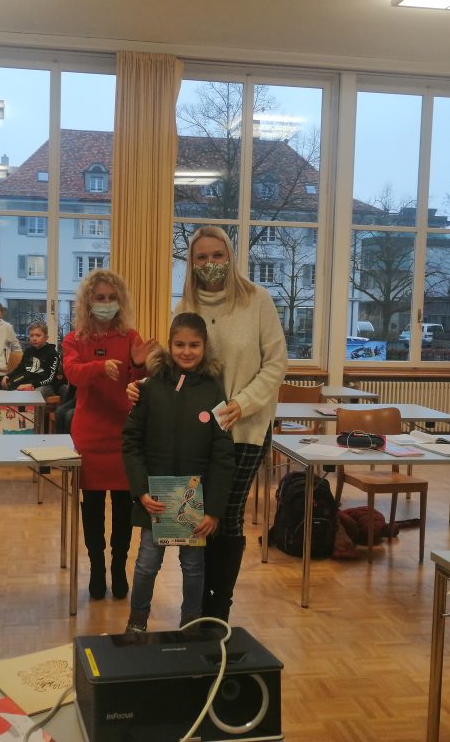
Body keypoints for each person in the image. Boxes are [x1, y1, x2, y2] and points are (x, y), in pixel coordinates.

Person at [132, 225, 287, 622]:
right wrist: (144, 385)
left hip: (246, 428)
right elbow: (175, 363)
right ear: (192, 263)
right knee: (200, 517)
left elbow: (276, 363)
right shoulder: (186, 304)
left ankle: (218, 611)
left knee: (227, 516)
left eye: (218, 255)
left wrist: (242, 403)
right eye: (201, 257)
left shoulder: (257, 300)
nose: (210, 263)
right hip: (197, 434)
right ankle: (198, 609)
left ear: (230, 256)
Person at [121, 313, 234, 633]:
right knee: (146, 564)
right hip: (154, 501)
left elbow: (223, 455)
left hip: (195, 504)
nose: (186, 351)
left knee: (193, 567)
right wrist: (141, 491)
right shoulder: (149, 387)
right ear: (169, 345)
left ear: (205, 346)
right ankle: (137, 622)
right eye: (180, 344)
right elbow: (131, 443)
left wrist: (213, 510)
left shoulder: (215, 392)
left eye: (194, 345)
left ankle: (191, 623)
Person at [62, 270, 158, 600]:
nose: (106, 303)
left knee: (122, 510)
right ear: (88, 301)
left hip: (124, 436)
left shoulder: (130, 337)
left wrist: (140, 365)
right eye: (100, 297)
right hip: (89, 437)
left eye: (111, 298)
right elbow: (72, 374)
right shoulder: (74, 339)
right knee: (91, 509)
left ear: (120, 301)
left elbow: (138, 384)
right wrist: (99, 368)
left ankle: (118, 568)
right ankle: (97, 569)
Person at [2, 320, 61, 399]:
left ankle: (32, 407)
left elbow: (50, 378)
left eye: (38, 335)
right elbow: (20, 369)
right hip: (28, 382)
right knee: (10, 389)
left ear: (46, 338)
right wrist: (8, 376)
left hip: (46, 385)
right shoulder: (28, 351)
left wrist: (32, 385)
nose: (34, 338)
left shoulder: (52, 354)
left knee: (34, 394)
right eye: (31, 335)